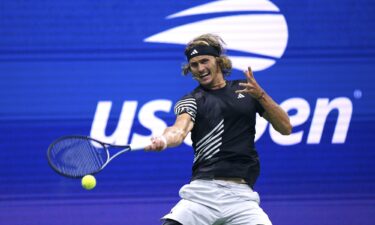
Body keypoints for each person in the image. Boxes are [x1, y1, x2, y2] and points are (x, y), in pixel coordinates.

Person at [145, 33, 292, 225]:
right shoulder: (192, 100)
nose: (200, 68)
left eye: (205, 61)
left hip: (241, 197)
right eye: (194, 65)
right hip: (202, 194)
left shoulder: (245, 89)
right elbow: (178, 130)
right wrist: (164, 140)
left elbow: (286, 128)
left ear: (219, 61)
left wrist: (261, 96)